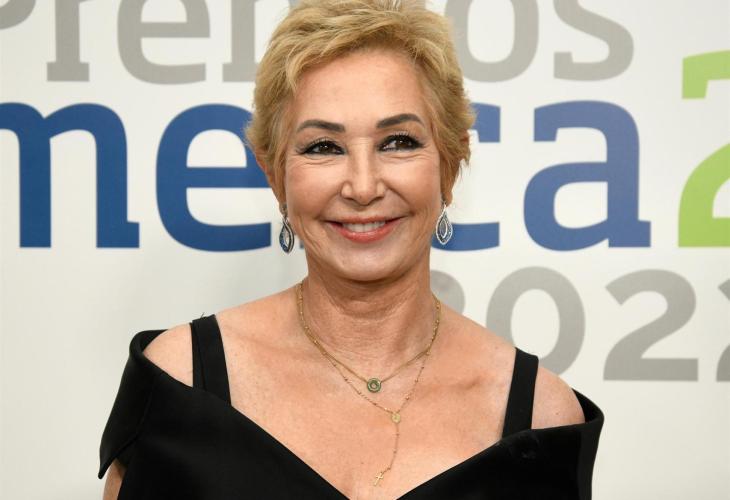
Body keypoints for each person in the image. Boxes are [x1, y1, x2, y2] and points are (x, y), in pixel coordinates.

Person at [99, 1, 604, 498]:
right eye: (324, 147)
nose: (363, 187)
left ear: (449, 166)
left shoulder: (541, 415)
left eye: (398, 142)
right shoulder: (180, 382)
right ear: (275, 176)